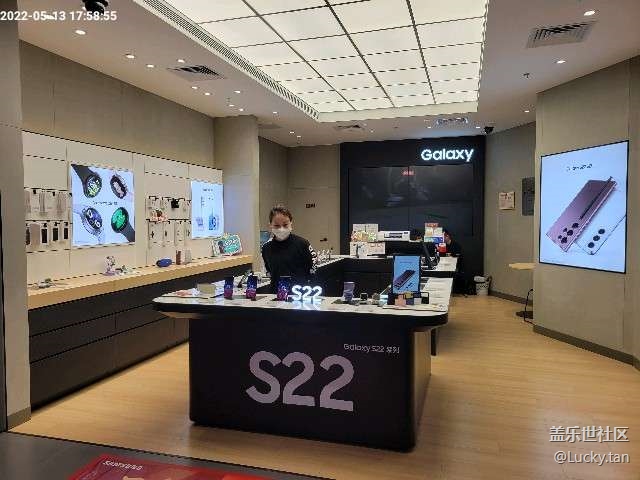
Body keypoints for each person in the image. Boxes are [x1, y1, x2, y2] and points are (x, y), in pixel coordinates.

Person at [261, 205, 317, 293]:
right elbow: (269, 271)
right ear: (270, 225)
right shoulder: (266, 248)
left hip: (299, 294)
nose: (281, 229)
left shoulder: (302, 244)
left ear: (291, 223)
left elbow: (313, 269)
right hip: (276, 294)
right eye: (277, 226)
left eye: (285, 225)